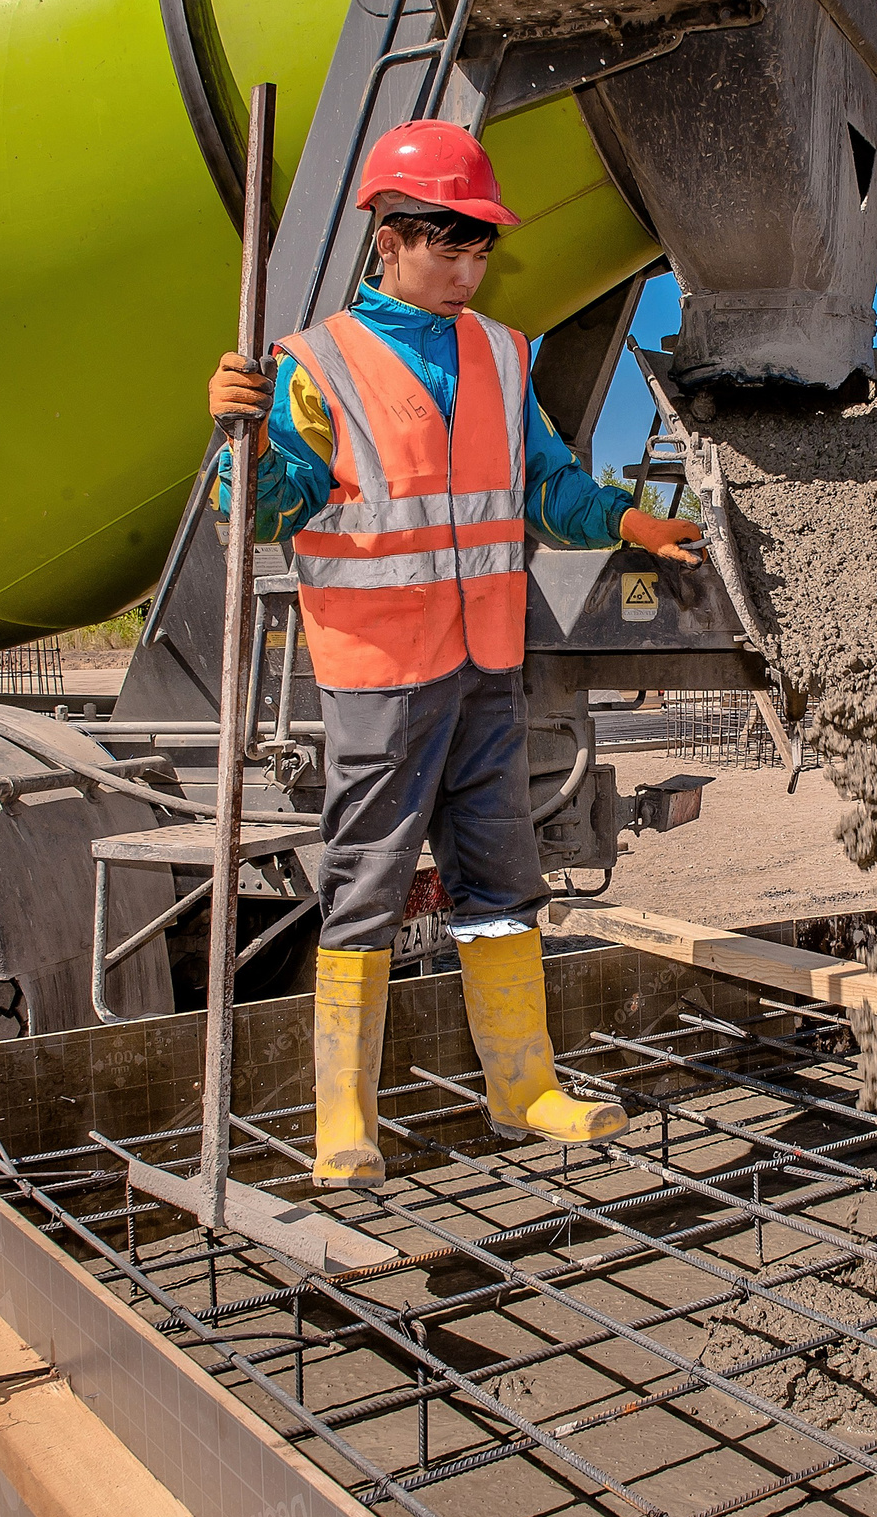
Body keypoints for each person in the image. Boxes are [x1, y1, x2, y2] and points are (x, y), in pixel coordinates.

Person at [207, 121, 704, 1189]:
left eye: (480, 242)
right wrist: (240, 445)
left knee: (500, 880)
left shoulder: (499, 352)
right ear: (387, 237)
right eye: (447, 239)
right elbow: (263, 512)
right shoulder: (314, 364)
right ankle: (342, 1121)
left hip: (487, 662)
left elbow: (544, 488)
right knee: (365, 884)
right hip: (380, 671)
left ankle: (521, 1086)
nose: (468, 262)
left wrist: (629, 522)